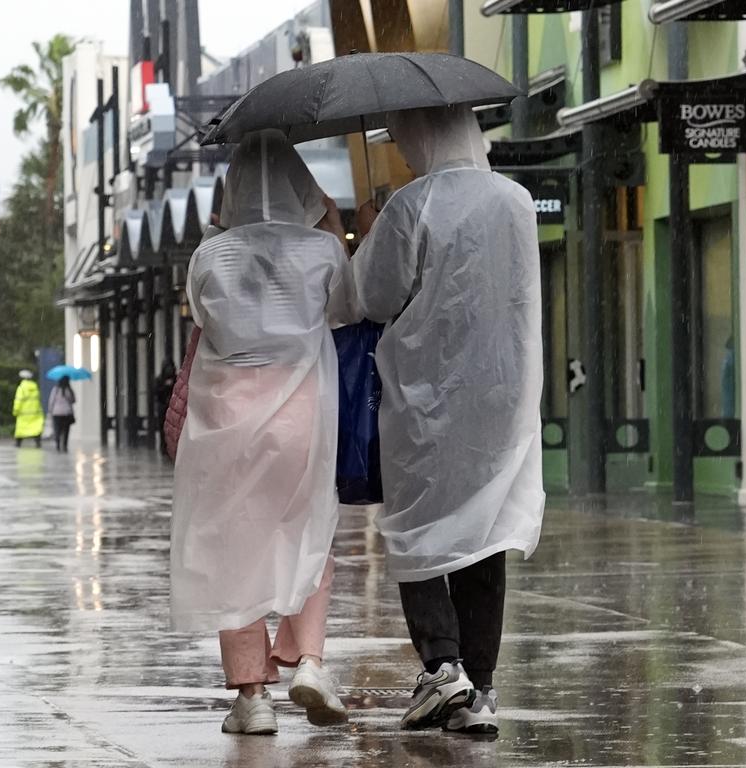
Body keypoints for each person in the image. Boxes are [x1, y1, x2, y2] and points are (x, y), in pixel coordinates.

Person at [351, 105, 545, 735]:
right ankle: (480, 688)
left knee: (419, 529)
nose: (404, 149)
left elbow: (374, 297)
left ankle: (442, 665)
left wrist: (368, 232)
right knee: (481, 531)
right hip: (501, 391)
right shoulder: (515, 199)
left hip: (427, 393)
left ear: (428, 132)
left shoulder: (413, 205)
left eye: (406, 135)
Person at [170, 130, 359, 736]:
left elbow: (204, 319)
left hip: (226, 420)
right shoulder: (320, 252)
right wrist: (331, 224)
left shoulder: (210, 256)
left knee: (235, 551)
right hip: (303, 412)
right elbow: (349, 310)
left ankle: (251, 696)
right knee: (310, 531)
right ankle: (308, 659)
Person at [12, 370, 44, 448]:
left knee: (21, 430)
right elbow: (38, 399)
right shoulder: (35, 387)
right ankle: (38, 442)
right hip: (35, 413)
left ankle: (18, 443)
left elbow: (18, 400)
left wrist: (15, 411)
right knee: (35, 429)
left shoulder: (21, 388)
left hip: (23, 414)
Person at [47, 375, 76, 452]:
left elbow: (51, 401)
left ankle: (58, 444)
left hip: (56, 413)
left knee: (57, 429)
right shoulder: (68, 390)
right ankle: (65, 445)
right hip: (67, 413)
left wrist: (50, 411)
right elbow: (73, 400)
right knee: (66, 430)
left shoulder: (55, 390)